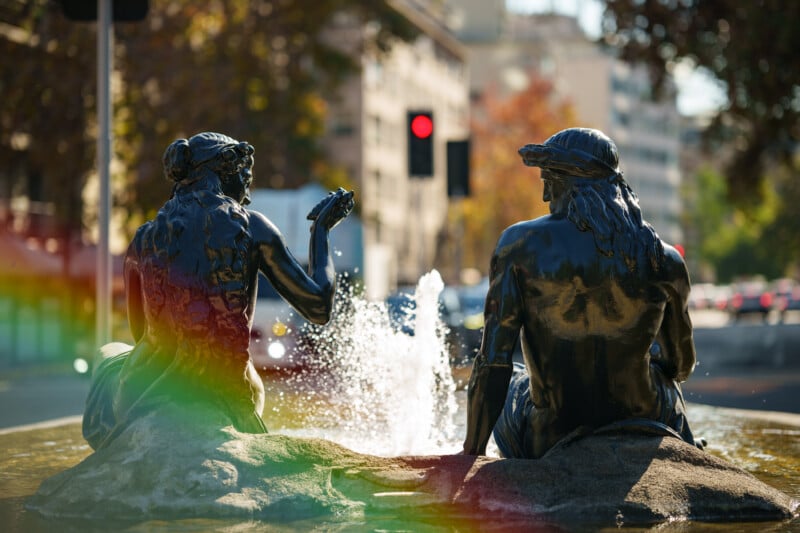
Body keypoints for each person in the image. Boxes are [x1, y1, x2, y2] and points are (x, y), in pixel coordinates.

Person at [83, 132, 354, 450]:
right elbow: (319, 306)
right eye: (245, 178)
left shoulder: (142, 241)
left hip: (140, 395)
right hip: (229, 394)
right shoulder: (254, 228)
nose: (248, 196)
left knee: (111, 354)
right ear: (224, 174)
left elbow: (141, 333)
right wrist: (320, 230)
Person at [462, 128, 699, 459]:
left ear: (568, 182)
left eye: (549, 180)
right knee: (663, 382)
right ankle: (688, 448)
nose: (545, 196)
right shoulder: (665, 259)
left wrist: (470, 456)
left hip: (549, 436)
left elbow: (493, 362)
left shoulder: (520, 245)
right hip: (644, 420)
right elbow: (681, 365)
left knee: (515, 377)